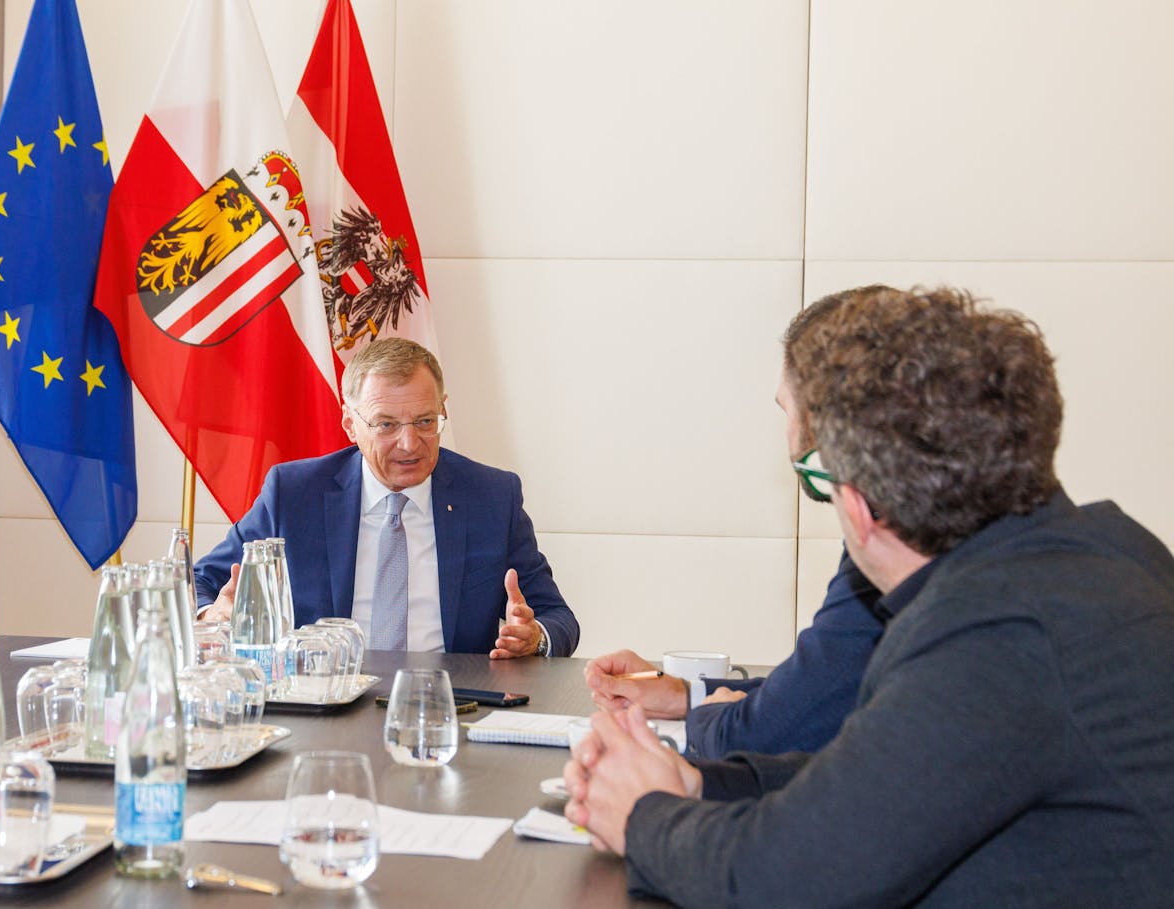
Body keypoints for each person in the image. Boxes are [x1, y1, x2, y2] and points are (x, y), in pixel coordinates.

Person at [566, 286, 1174, 906]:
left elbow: (782, 882)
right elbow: (886, 783)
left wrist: (644, 815)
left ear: (855, 507)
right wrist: (701, 785)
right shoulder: (1106, 551)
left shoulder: (999, 634)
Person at [584, 292, 885, 758]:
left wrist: (708, 718)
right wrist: (687, 695)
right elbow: (826, 687)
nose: (786, 438)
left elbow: (772, 730)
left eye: (786, 410)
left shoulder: (885, 535)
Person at [194, 337, 578, 658]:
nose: (410, 444)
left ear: (443, 411)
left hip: (449, 707)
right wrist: (214, 614)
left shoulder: (492, 497)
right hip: (324, 703)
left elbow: (557, 617)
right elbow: (200, 581)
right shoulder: (294, 494)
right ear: (350, 425)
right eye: (386, 425)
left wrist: (535, 638)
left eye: (425, 421)